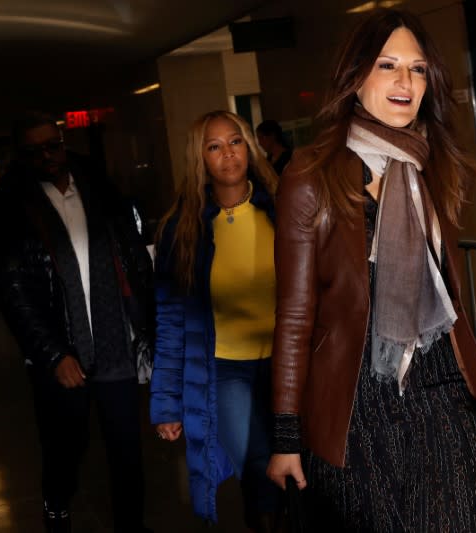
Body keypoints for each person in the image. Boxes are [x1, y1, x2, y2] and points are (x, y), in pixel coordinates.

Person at [266, 9, 476, 532]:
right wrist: (287, 436)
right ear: (357, 77)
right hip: (360, 405)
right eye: (388, 65)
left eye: (419, 69)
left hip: (441, 393)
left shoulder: (435, 166)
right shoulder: (311, 176)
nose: (406, 82)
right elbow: (294, 314)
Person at [0, 112, 154, 533]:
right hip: (61, 353)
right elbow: (13, 293)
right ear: (21, 156)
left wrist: (147, 323)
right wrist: (53, 353)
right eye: (34, 151)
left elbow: (132, 256)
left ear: (63, 141)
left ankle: (131, 526)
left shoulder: (98, 188)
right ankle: (56, 512)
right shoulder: (10, 209)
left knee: (127, 450)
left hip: (116, 345)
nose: (47, 156)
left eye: (53, 145)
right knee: (65, 449)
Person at [150, 110, 282, 531]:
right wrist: (166, 404)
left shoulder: (281, 207)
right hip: (226, 369)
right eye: (214, 146)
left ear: (249, 146)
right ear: (200, 159)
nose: (228, 154)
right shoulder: (181, 229)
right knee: (259, 467)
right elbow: (171, 321)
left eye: (236, 141)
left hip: (288, 363)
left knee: (301, 467)